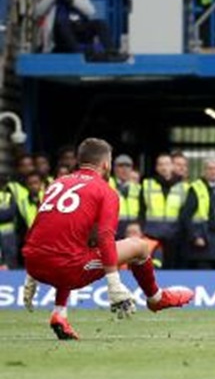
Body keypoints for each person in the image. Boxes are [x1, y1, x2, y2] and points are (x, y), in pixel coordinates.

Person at [21, 138, 193, 340]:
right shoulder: (105, 191)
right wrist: (114, 284)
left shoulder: (57, 184)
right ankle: (156, 298)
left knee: (75, 244)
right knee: (140, 247)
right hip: (66, 269)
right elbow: (105, 237)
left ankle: (59, 314)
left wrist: (31, 274)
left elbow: (41, 226)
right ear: (106, 164)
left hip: (34, 263)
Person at [180, 158, 215, 270]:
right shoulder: (196, 188)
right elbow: (185, 216)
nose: (213, 172)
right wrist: (195, 236)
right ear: (204, 171)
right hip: (204, 239)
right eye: (210, 169)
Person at [140, 153, 188, 269]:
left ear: (172, 166)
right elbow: (141, 210)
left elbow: (185, 213)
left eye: (167, 164)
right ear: (156, 168)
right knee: (152, 268)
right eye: (160, 164)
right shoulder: (147, 184)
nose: (164, 167)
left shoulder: (184, 187)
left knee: (172, 268)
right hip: (151, 235)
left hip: (174, 236)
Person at [108, 154, 140, 239]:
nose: (124, 169)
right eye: (121, 166)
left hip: (132, 229)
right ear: (114, 168)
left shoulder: (138, 188)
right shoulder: (107, 185)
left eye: (128, 166)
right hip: (112, 228)